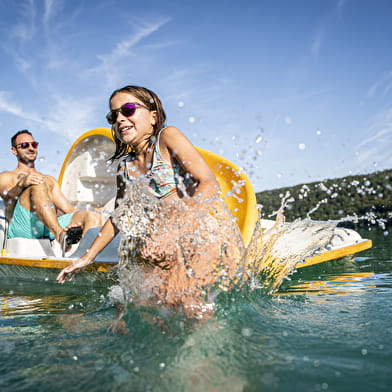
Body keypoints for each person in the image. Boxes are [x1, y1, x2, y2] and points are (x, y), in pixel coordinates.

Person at [56, 85, 244, 320]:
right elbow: (120, 215)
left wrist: (171, 232)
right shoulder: (126, 165)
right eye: (113, 116)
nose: (120, 119)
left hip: (190, 242)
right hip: (158, 249)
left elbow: (208, 183)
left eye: (128, 110)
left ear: (153, 117)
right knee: (130, 315)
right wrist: (87, 257)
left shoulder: (167, 138)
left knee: (190, 310)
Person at [0, 130, 102, 246]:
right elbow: (8, 196)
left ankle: (86, 258)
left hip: (47, 227)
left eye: (33, 145)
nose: (30, 148)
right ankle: (60, 236)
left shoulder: (49, 180)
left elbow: (68, 209)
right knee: (38, 184)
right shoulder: (5, 177)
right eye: (24, 145)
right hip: (22, 228)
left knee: (92, 214)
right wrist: (20, 185)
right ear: (14, 151)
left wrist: (79, 220)